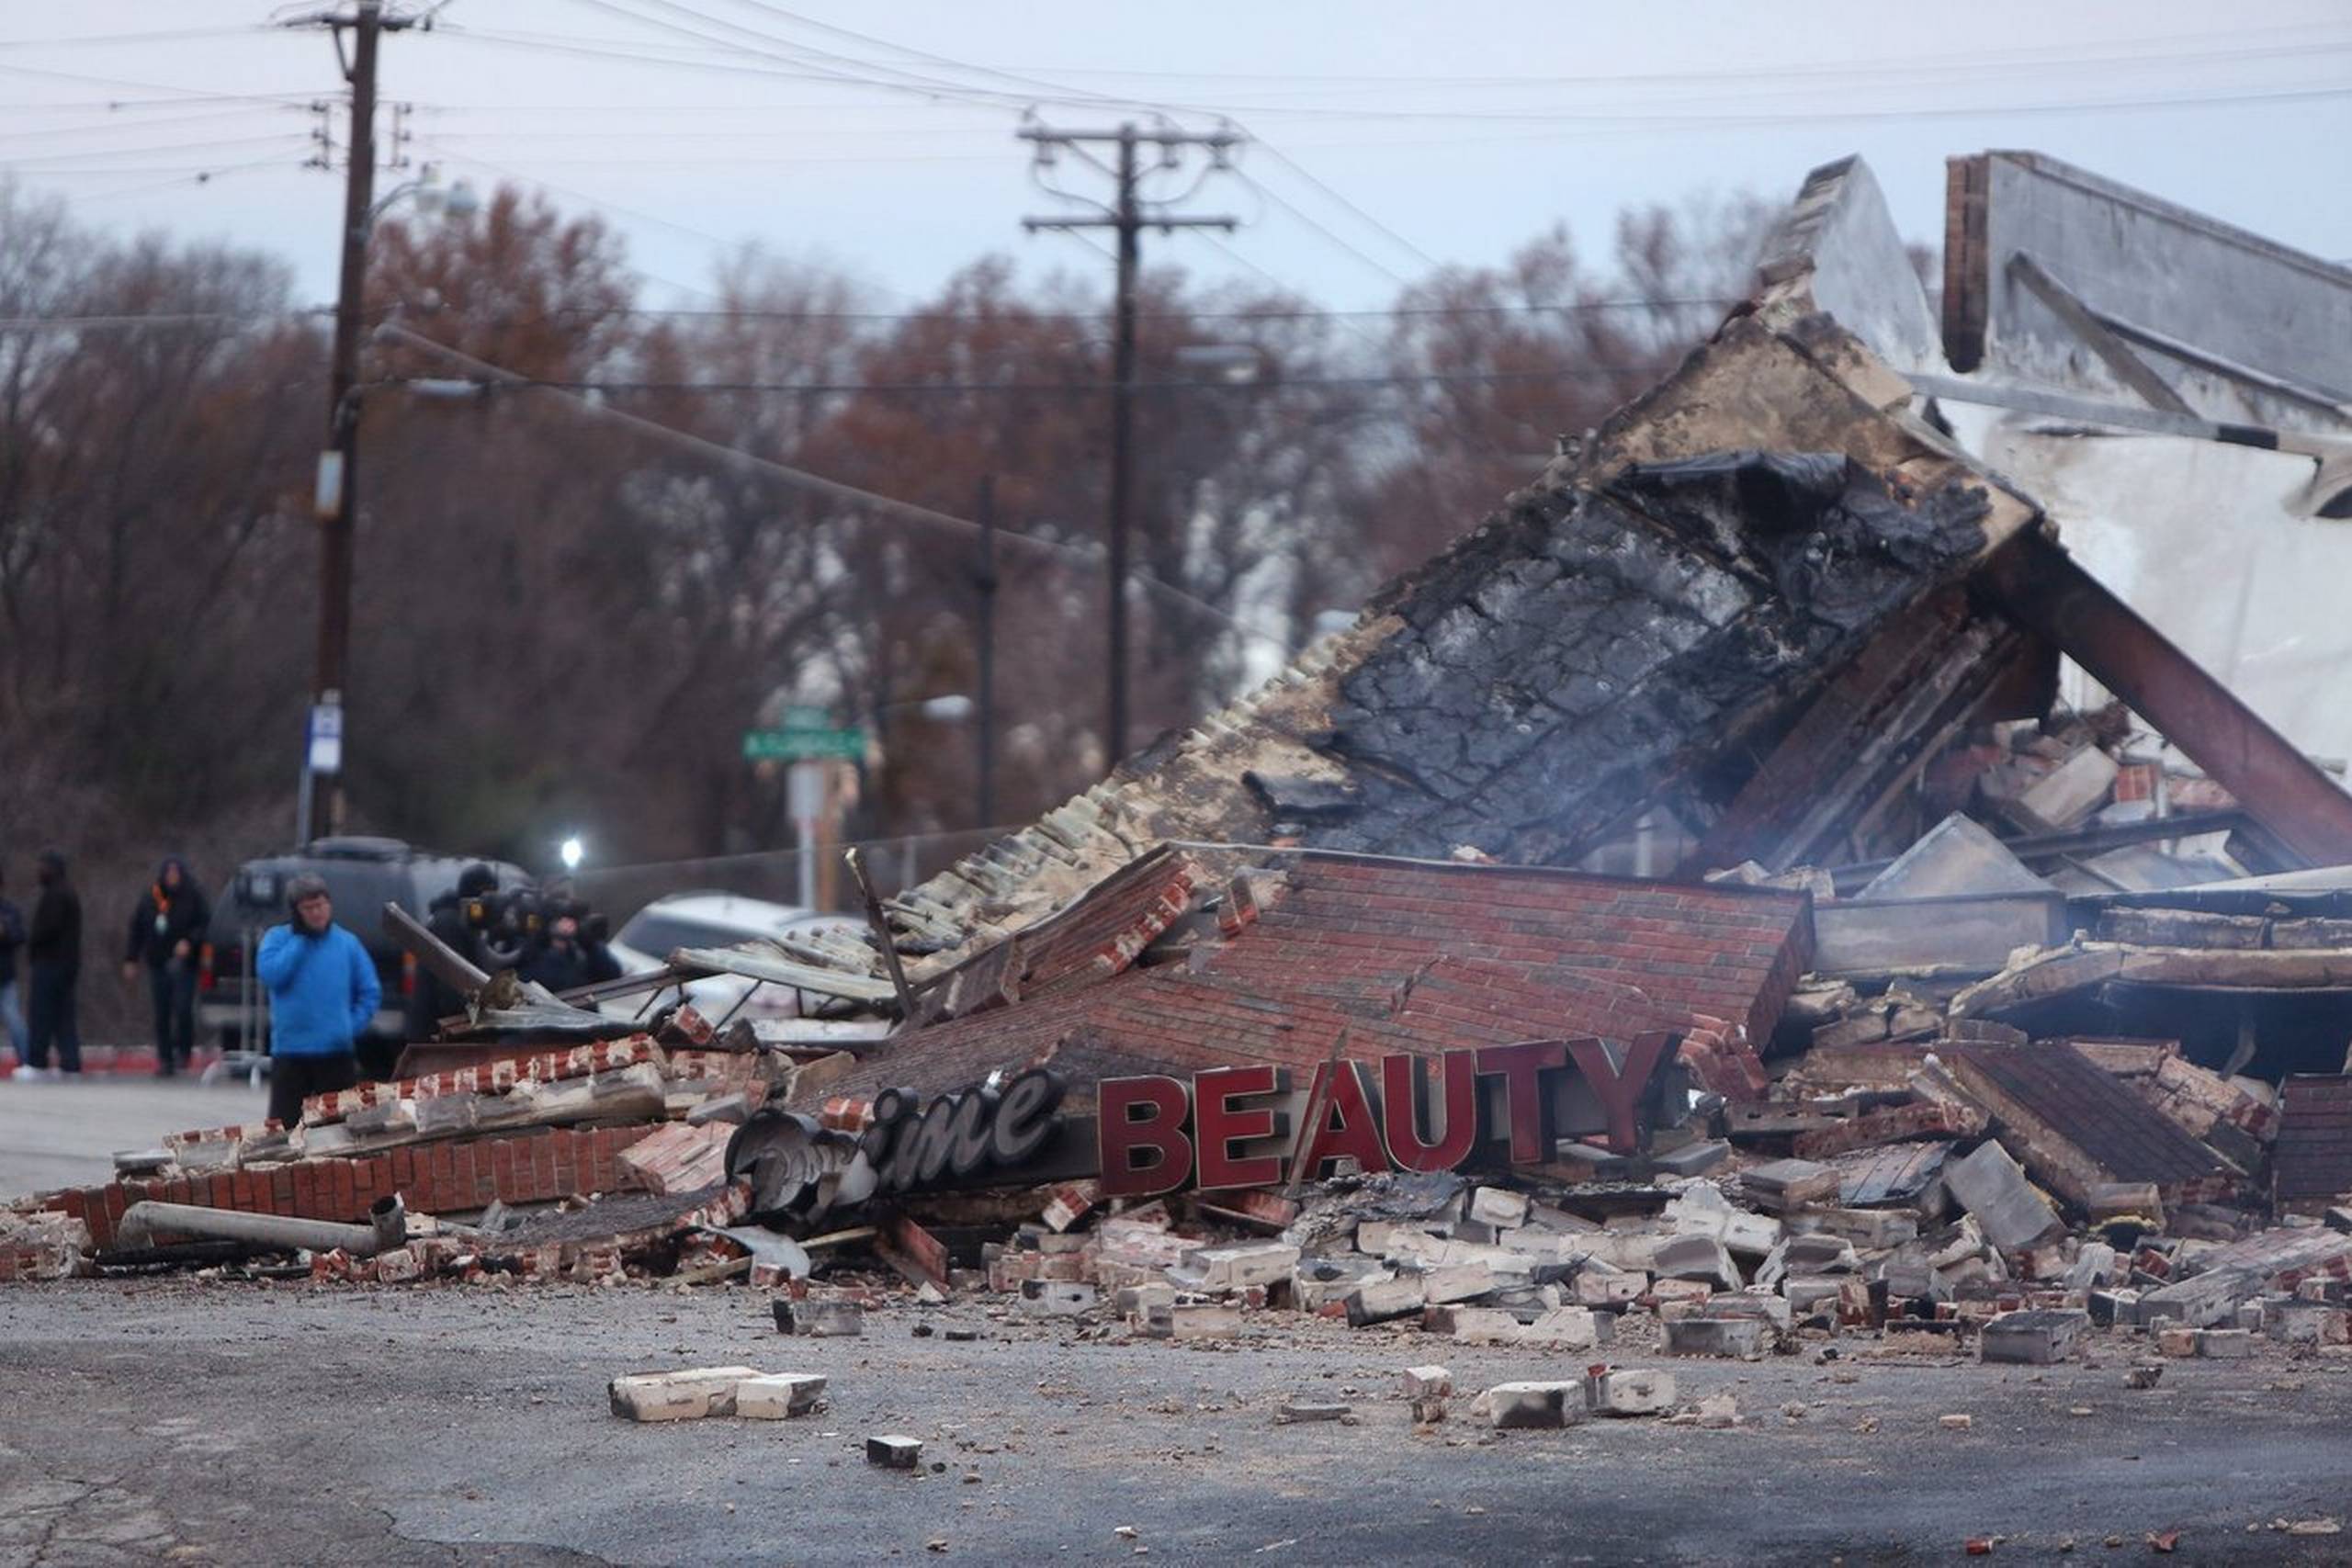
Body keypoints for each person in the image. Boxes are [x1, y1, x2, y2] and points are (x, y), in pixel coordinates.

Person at [256, 874, 379, 1127]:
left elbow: (370, 991)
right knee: (284, 1129)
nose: (316, 913)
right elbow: (271, 975)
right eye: (308, 908)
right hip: (290, 1052)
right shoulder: (278, 939)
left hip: (335, 1053)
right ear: (296, 911)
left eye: (321, 905)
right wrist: (299, 942)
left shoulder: (347, 943)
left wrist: (349, 1026)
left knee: (340, 1128)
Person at [122, 856, 210, 1077]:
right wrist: (131, 958)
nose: (172, 877)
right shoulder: (152, 896)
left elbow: (205, 924)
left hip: (184, 963)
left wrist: (190, 941)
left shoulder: (193, 895)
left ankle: (183, 1050)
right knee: (162, 1012)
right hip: (158, 961)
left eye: (176, 873)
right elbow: (137, 928)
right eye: (168, 873)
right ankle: (165, 1058)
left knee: (182, 1008)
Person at [21, 849, 82, 1079]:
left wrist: (33, 940)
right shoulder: (67, 892)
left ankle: (37, 1062)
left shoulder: (56, 895)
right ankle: (71, 1062)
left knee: (42, 1014)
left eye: (43, 867)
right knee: (64, 1016)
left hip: (50, 963)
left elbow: (49, 929)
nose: (39, 871)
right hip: (65, 965)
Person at [0, 865, 27, 1067]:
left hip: (4, 976)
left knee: (15, 1020)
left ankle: (26, 1061)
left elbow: (20, 937)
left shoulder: (9, 910)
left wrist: (5, 932)